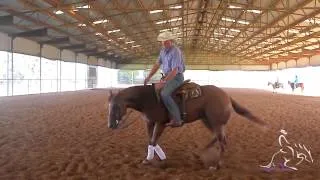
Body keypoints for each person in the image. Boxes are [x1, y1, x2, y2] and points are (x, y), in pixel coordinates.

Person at [144, 31, 186, 128]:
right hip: (167, 76)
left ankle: (177, 119)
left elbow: (175, 70)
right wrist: (149, 76)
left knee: (165, 93)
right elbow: (157, 64)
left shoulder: (175, 51)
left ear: (171, 41)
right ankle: (161, 114)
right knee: (154, 91)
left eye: (165, 41)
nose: (163, 43)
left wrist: (164, 81)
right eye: (162, 42)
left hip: (176, 77)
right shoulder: (163, 51)